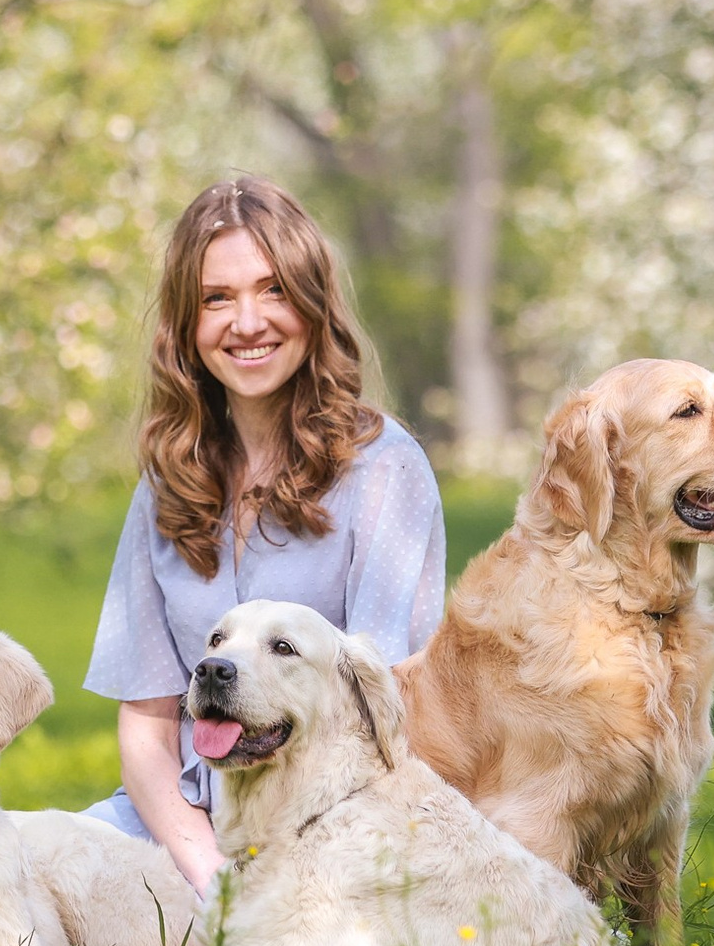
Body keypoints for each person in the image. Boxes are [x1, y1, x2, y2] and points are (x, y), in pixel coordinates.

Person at [82, 175, 445, 895]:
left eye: (273, 290)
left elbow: (381, 709)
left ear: (313, 307)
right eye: (218, 299)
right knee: (27, 870)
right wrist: (209, 871)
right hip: (182, 825)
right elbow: (148, 728)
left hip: (335, 829)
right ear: (187, 325)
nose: (247, 323)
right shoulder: (163, 486)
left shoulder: (384, 469)